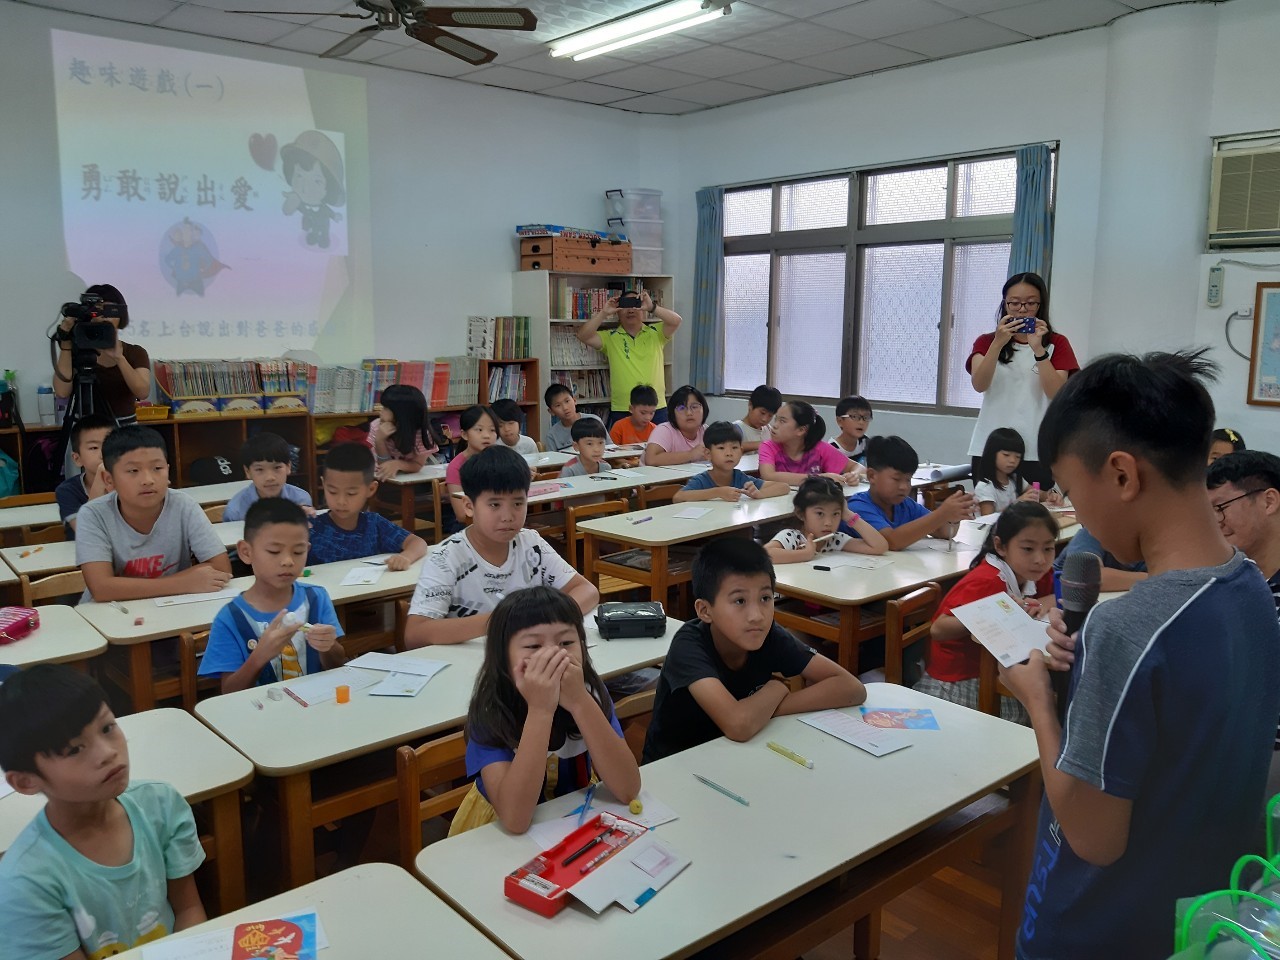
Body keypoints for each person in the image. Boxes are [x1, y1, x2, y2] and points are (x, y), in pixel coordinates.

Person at [999, 350, 1280, 960]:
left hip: (1096, 927)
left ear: (1123, 475)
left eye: (1073, 490)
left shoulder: (1128, 627)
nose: (1077, 514)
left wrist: (1040, 703)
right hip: (1196, 915)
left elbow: (1093, 837)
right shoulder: (1253, 586)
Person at [0, 665, 206, 957]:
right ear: (26, 781)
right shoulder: (25, 881)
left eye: (108, 728)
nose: (108, 752)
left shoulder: (160, 803)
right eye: (74, 750)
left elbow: (188, 909)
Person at [642, 539, 864, 763]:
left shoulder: (766, 635)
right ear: (705, 610)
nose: (757, 615)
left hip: (740, 757)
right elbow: (738, 724)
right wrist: (777, 689)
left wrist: (766, 709)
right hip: (677, 767)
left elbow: (852, 688)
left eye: (765, 598)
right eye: (739, 601)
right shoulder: (688, 646)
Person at [449, 587, 640, 836]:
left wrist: (580, 702)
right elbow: (515, 819)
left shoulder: (589, 692)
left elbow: (627, 788)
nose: (554, 655)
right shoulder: (492, 709)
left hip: (576, 816)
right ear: (503, 657)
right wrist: (540, 709)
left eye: (566, 642)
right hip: (501, 830)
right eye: (533, 645)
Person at [403, 445, 598, 648]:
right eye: (495, 504)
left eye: (518, 503)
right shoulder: (446, 558)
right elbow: (416, 634)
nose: (508, 516)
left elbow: (587, 591)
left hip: (530, 659)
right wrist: (504, 621)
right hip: (474, 665)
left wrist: (543, 617)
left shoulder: (531, 544)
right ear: (469, 506)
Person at [915, 502, 1058, 722]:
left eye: (1048, 548)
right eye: (1028, 549)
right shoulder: (988, 581)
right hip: (960, 679)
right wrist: (990, 612)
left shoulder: (1036, 572)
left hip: (1000, 666)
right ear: (1000, 546)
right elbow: (939, 629)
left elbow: (1055, 591)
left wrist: (1050, 598)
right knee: (1045, 710)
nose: (1040, 559)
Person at [199, 498, 346, 694]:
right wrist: (259, 656)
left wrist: (328, 647)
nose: (287, 561)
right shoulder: (231, 618)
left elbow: (338, 666)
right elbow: (229, 692)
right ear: (246, 552)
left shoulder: (316, 598)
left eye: (298, 551)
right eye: (274, 551)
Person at [76, 426, 232, 603]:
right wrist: (183, 583)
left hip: (171, 609)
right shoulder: (93, 515)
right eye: (133, 471)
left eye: (157, 468)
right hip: (112, 615)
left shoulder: (183, 505)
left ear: (167, 471)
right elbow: (102, 589)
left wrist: (124, 587)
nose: (148, 480)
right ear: (108, 480)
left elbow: (221, 568)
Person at [967, 272, 1080, 488]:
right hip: (990, 448)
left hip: (1036, 449)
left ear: (1040, 305)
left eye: (1030, 304)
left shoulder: (1056, 343)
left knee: (1036, 514)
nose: (1022, 310)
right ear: (1004, 304)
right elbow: (979, 384)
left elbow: (1057, 395)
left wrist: (1038, 349)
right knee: (992, 514)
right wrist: (997, 344)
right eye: (1014, 303)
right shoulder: (986, 342)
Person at [307, 442, 427, 570]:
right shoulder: (310, 528)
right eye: (333, 492)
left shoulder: (374, 524)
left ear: (371, 489)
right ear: (323, 484)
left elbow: (418, 543)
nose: (341, 501)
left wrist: (405, 557)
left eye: (351, 493)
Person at [844, 436, 975, 550]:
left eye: (908, 479)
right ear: (872, 476)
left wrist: (952, 519)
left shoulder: (905, 505)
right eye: (896, 479)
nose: (904, 486)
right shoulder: (858, 507)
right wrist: (941, 513)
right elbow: (891, 542)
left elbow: (943, 532)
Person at [574, 288, 681, 427]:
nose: (630, 310)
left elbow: (676, 321)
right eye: (625, 306)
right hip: (623, 408)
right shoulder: (610, 337)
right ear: (618, 312)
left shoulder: (656, 333)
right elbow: (583, 335)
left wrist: (652, 307)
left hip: (655, 408)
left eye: (635, 305)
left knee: (661, 448)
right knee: (623, 449)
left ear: (643, 310)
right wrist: (604, 313)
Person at [52, 284, 152, 426]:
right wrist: (66, 346)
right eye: (98, 310)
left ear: (120, 315)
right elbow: (62, 392)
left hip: (123, 429)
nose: (105, 317)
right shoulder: (76, 349)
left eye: (110, 310)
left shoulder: (135, 352)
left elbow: (142, 392)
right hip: (85, 429)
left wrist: (119, 358)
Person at [766, 476, 888, 563]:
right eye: (820, 513)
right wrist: (804, 554)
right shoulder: (792, 537)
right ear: (801, 513)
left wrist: (848, 515)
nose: (828, 523)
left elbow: (879, 546)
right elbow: (765, 555)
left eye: (835, 514)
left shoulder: (834, 540)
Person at [673, 421, 789, 503]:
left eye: (734, 448)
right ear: (708, 454)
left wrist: (759, 493)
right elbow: (678, 497)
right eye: (721, 448)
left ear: (741, 451)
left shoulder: (740, 478)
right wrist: (718, 492)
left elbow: (783, 487)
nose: (729, 453)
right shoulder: (702, 480)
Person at [759, 400, 861, 486]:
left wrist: (854, 475)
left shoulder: (819, 448)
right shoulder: (768, 447)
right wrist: (819, 478)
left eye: (782, 421)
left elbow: (858, 467)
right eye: (776, 419)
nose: (774, 425)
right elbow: (768, 476)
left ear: (801, 430)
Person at [221, 431, 313, 522]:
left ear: (288, 467)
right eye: (259, 469)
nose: (270, 477)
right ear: (247, 472)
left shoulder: (301, 499)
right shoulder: (235, 510)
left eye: (277, 467)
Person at [54, 412, 113, 537]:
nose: (103, 453)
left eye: (109, 445)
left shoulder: (128, 483)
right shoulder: (67, 491)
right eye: (93, 448)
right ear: (77, 459)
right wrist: (101, 476)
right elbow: (86, 531)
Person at [972, 427, 1053, 515]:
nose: (1013, 460)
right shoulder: (985, 486)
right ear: (991, 454)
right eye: (1006, 455)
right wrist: (1017, 504)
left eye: (1018, 456)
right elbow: (987, 519)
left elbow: (1039, 494)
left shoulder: (1014, 479)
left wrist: (1051, 496)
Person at [370, 384, 438, 482]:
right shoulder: (376, 427)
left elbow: (417, 465)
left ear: (401, 414)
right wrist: (379, 440)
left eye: (385, 408)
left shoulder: (421, 433)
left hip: (408, 479)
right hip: (379, 478)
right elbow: (383, 467)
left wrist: (397, 464)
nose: (381, 412)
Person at [1053, 524, 1147, 592]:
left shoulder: (1150, 540)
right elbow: (1085, 575)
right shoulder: (1091, 532)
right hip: (1051, 605)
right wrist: (1152, 579)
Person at [642, 384, 710, 467]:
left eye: (694, 407)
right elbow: (651, 460)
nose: (689, 413)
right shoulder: (664, 430)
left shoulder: (706, 432)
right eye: (681, 408)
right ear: (673, 413)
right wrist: (690, 455)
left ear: (704, 409)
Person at [445, 405, 498, 497]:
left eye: (492, 430)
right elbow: (461, 510)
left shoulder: (501, 460)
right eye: (479, 430)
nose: (486, 435)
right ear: (464, 434)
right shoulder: (456, 467)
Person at [544, 383, 604, 453]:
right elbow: (553, 461)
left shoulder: (595, 421)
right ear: (551, 411)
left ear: (574, 400)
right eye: (558, 405)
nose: (565, 408)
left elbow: (611, 449)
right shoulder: (552, 435)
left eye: (567, 401)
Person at [733, 385, 782, 454]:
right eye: (762, 413)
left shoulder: (768, 429)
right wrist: (763, 444)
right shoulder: (736, 428)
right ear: (750, 405)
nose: (765, 419)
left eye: (770, 416)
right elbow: (731, 448)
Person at [830, 395, 873, 461]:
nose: (861, 422)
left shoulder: (865, 442)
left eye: (866, 417)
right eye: (855, 416)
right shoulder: (832, 449)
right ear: (840, 421)